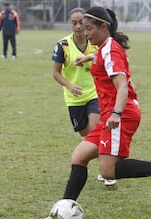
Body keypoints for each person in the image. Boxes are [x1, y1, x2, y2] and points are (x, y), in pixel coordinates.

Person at [35, 6, 151, 219]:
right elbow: (103, 57)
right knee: (79, 156)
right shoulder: (105, 47)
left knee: (108, 170)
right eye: (83, 29)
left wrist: (116, 113)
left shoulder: (110, 51)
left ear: (103, 27)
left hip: (120, 114)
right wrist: (88, 57)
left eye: (89, 29)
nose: (85, 33)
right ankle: (59, 214)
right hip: (111, 113)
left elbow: (122, 85)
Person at [52, 8, 116, 186]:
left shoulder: (94, 40)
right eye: (74, 23)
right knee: (86, 134)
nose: (78, 26)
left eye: (81, 22)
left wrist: (90, 57)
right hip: (73, 99)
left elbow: (106, 54)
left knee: (97, 128)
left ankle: (107, 170)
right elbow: (56, 73)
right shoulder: (63, 45)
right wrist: (69, 85)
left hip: (94, 94)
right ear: (70, 24)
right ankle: (108, 159)